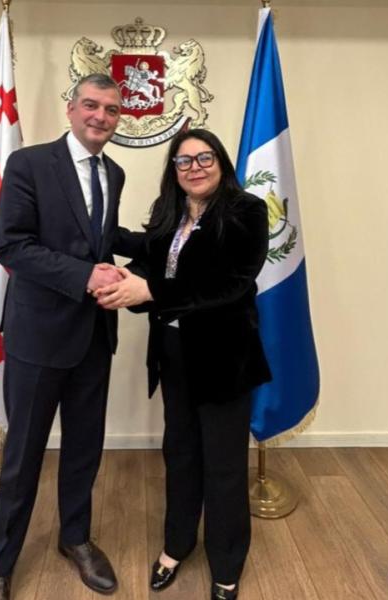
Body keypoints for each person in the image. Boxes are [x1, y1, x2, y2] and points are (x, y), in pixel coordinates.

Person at [0, 73, 142, 600]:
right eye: (91, 105)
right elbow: (12, 245)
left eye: (111, 110)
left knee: (84, 449)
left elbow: (100, 236)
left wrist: (173, 236)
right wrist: (85, 275)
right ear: (70, 109)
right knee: (23, 456)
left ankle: (75, 538)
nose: (101, 116)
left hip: (94, 336)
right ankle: (1, 565)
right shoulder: (28, 164)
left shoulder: (114, 172)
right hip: (38, 337)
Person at [95, 129, 271, 600]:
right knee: (181, 453)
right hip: (173, 355)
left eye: (204, 158)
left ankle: (227, 565)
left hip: (224, 359)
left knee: (224, 466)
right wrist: (109, 252)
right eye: (184, 160)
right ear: (173, 170)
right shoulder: (169, 212)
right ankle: (177, 545)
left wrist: (149, 290)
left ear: (221, 162)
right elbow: (151, 256)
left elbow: (228, 284)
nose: (194, 168)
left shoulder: (247, 211)